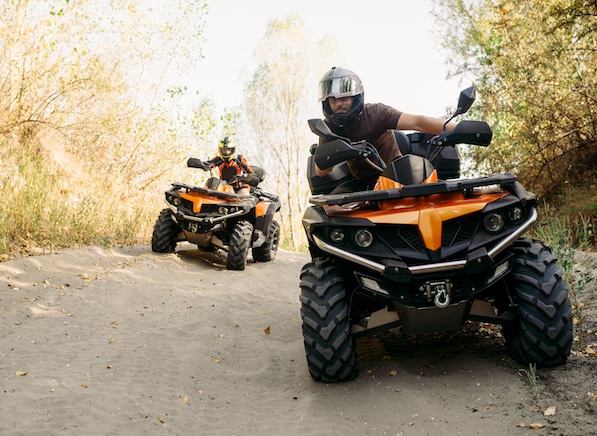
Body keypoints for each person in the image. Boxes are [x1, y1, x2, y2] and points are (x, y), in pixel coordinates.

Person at [315, 66, 458, 193]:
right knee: (329, 209)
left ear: (355, 97)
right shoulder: (328, 128)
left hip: (398, 175)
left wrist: (460, 128)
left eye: (344, 98)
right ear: (327, 103)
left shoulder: (376, 113)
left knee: (452, 194)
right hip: (362, 184)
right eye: (333, 100)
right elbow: (320, 171)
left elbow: (417, 122)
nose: (338, 104)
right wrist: (337, 152)